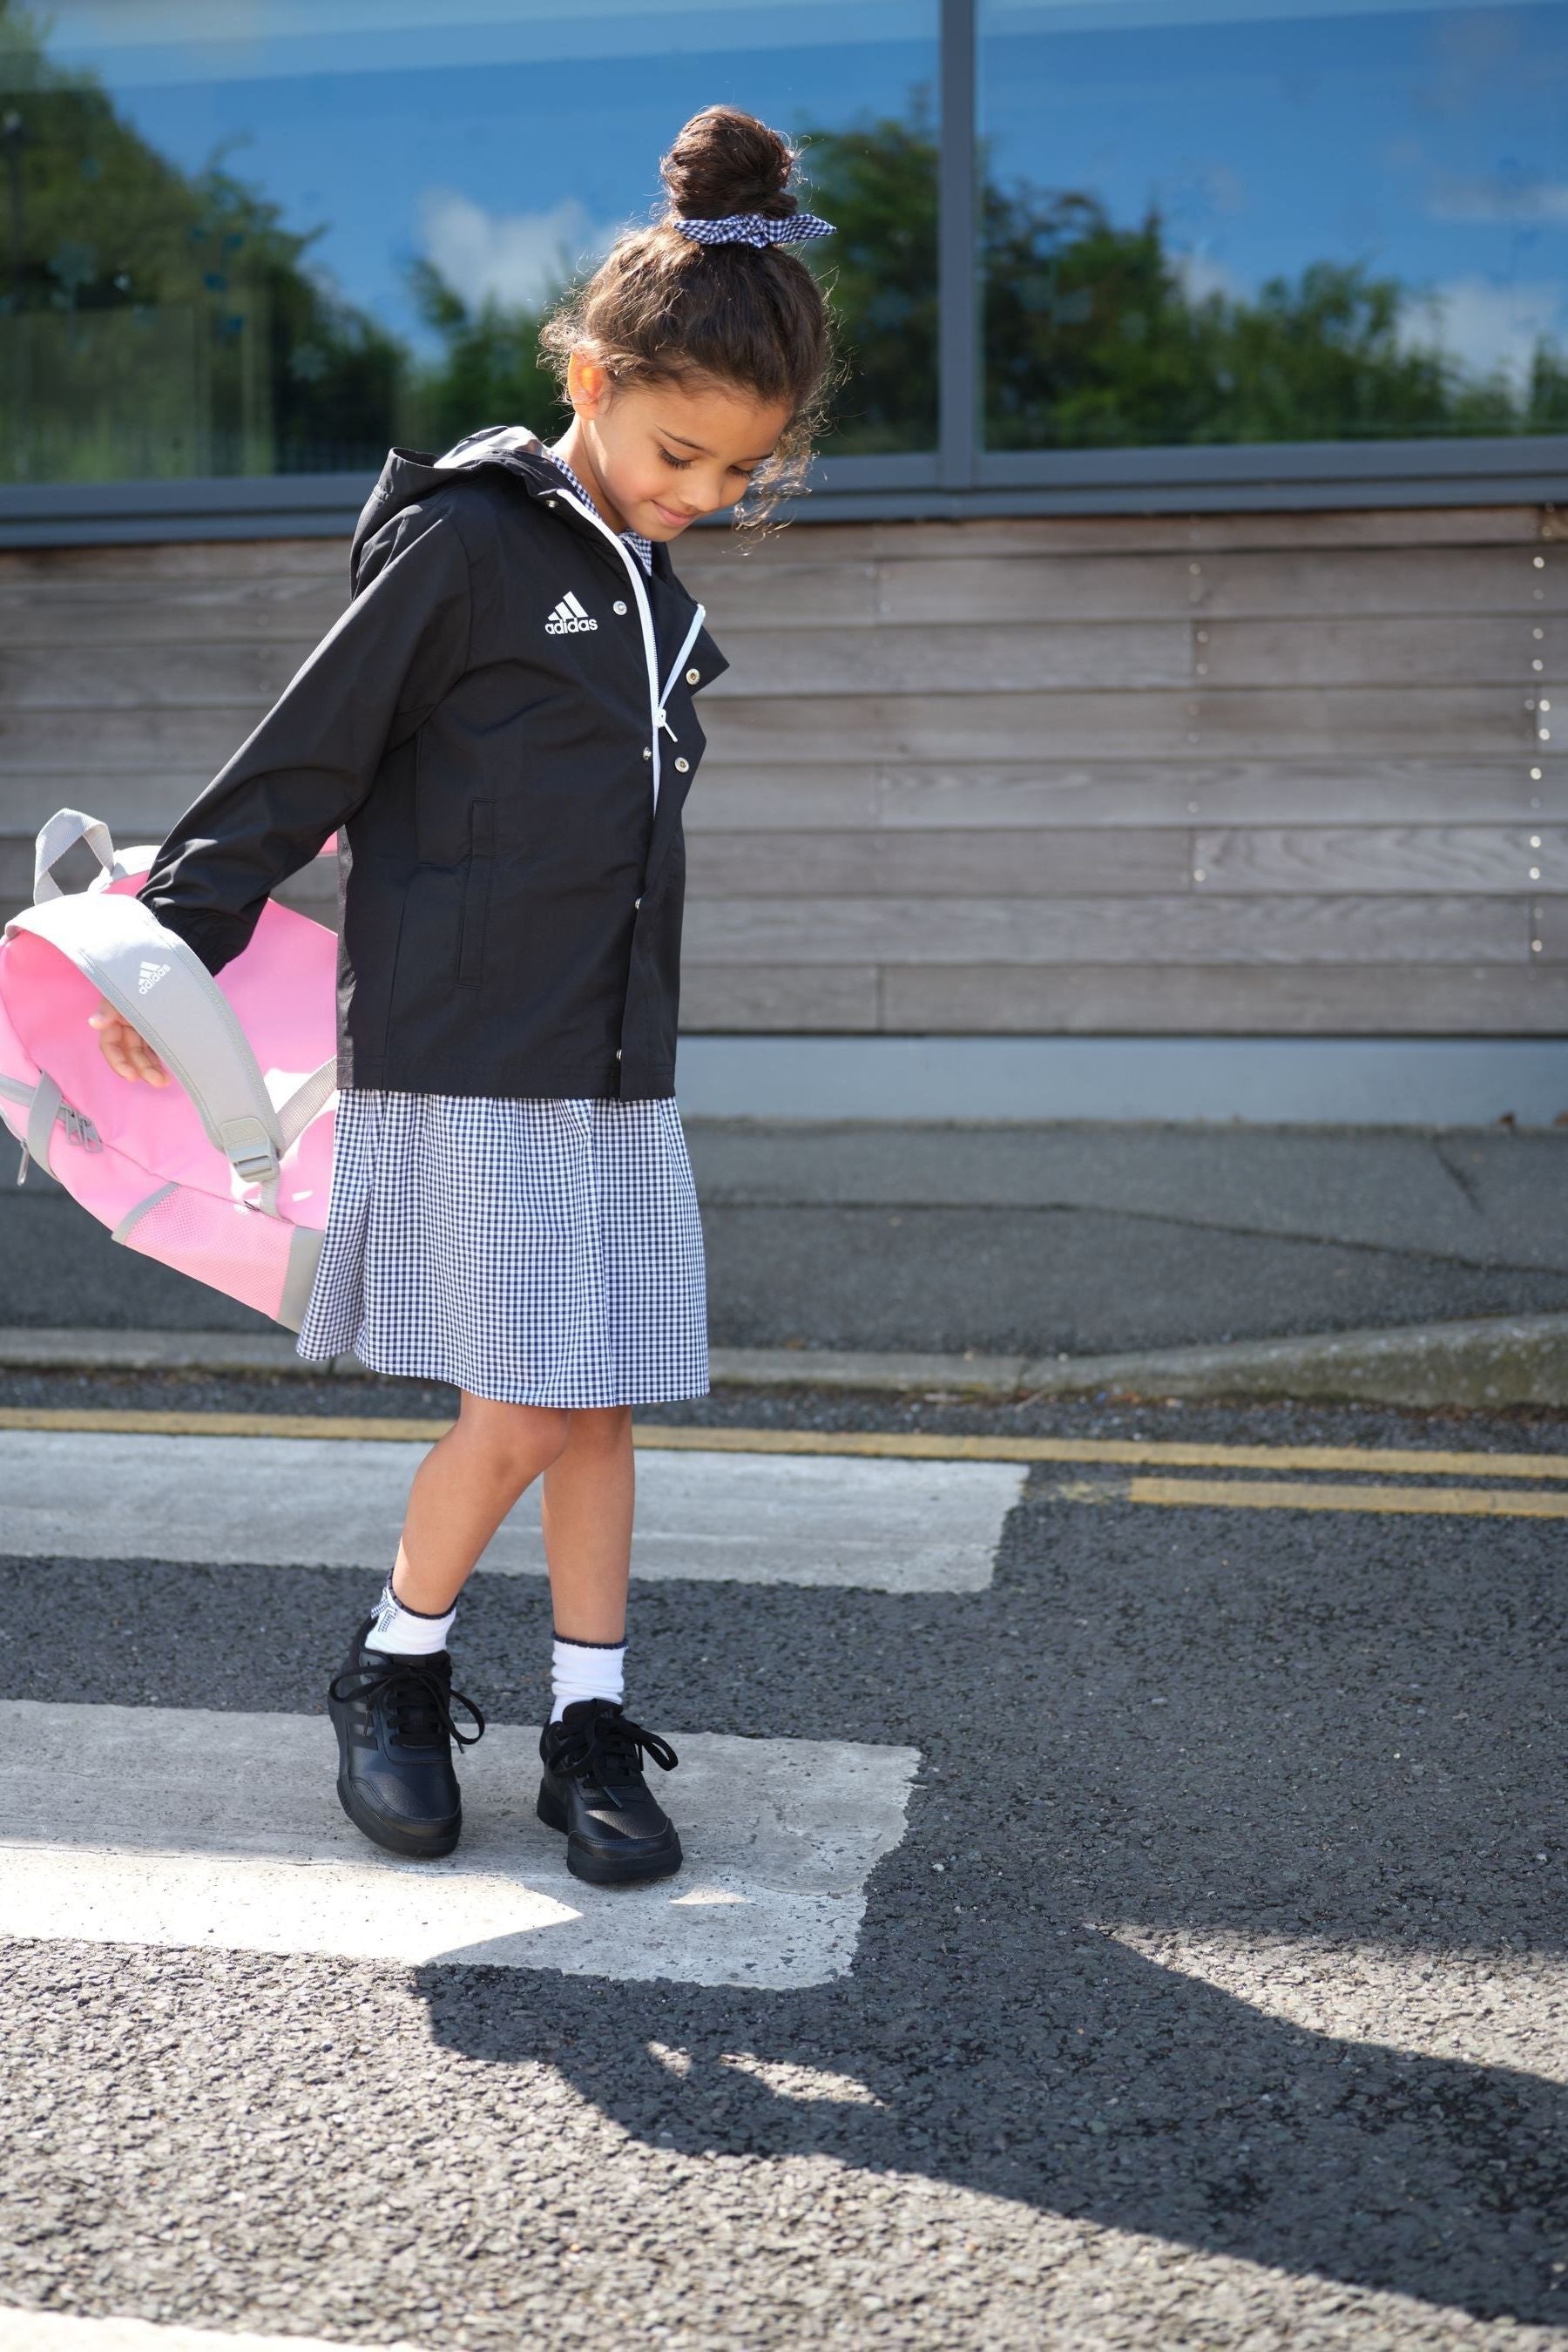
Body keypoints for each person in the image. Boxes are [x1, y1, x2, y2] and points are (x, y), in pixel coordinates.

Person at [87, 104, 835, 1888]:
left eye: (736, 478)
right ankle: (397, 1667)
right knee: (521, 1406)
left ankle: (589, 1725)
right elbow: (311, 756)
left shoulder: (650, 592)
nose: (699, 499)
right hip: (467, 1054)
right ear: (592, 369)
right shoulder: (473, 542)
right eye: (676, 454)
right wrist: (175, 935)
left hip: (609, 1067)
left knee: (602, 1405)